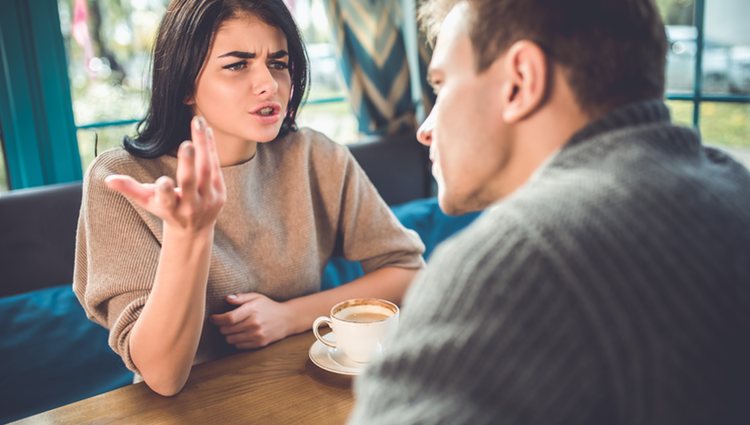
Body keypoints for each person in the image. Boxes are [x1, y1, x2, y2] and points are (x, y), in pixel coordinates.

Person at [349, 0, 750, 423]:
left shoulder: (519, 262)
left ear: (520, 81)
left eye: (441, 85)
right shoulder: (732, 188)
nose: (425, 129)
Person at [73, 0, 424, 397]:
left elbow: (407, 271)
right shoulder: (122, 180)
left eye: (278, 62)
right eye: (237, 65)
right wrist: (190, 233)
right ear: (186, 83)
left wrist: (288, 317)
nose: (269, 84)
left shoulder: (317, 157)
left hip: (303, 391)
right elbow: (164, 376)